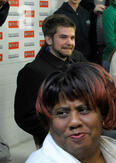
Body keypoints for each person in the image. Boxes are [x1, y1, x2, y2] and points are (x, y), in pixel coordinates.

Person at [14, 14, 86, 147]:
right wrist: (61, 129)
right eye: (63, 37)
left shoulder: (78, 60)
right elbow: (25, 117)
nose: (70, 43)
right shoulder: (32, 72)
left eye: (72, 37)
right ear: (48, 39)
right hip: (55, 143)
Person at [80, 0, 109, 65]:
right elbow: (81, 19)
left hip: (108, 45)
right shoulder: (85, 2)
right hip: (91, 47)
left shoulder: (111, 2)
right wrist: (92, 11)